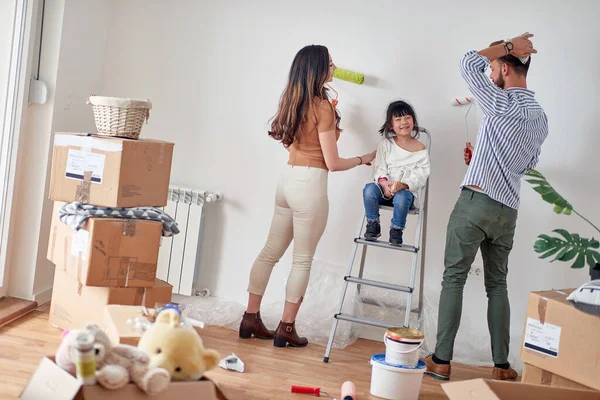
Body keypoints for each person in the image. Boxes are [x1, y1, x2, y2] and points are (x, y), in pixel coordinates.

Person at [424, 33, 548, 381]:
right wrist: (480, 159)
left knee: (454, 279)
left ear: (506, 68)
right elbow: (526, 164)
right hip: (507, 211)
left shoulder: (500, 101)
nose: (490, 70)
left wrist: (505, 45)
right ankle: (503, 366)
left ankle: (441, 360)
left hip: (476, 203)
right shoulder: (540, 117)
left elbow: (467, 62)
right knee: (498, 285)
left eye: (494, 66)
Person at [239, 45, 377, 348]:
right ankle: (286, 328)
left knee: (269, 252)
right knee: (302, 260)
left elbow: (298, 141)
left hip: (286, 180)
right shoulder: (322, 107)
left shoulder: (291, 100)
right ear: (317, 70)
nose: (334, 67)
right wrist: (363, 158)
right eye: (330, 63)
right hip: (310, 185)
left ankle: (250, 318)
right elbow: (333, 163)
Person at [363, 100, 430, 246]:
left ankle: (397, 229)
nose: (404, 122)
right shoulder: (385, 144)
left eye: (407, 118)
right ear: (391, 125)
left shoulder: (420, 149)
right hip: (384, 190)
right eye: (398, 119)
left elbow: (421, 175)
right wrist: (384, 183)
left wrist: (403, 185)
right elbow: (380, 167)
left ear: (413, 120)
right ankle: (373, 224)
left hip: (405, 194)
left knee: (401, 197)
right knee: (369, 189)